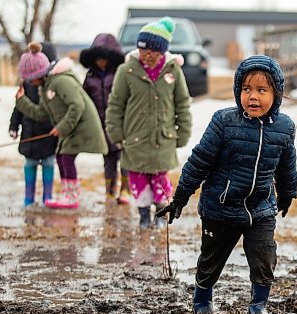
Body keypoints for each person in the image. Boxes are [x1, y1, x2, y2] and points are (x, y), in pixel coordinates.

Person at [156, 55, 297, 314]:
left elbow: (287, 166)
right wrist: (180, 197)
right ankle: (202, 299)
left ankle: (258, 306)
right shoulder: (224, 122)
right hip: (220, 207)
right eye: (246, 89)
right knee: (212, 258)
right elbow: (199, 161)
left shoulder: (285, 127)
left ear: (276, 93)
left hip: (261, 208)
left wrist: (288, 193)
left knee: (264, 256)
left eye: (261, 90)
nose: (252, 96)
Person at [106, 16, 192, 228]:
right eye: (144, 50)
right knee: (139, 180)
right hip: (134, 138)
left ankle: (161, 215)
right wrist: (116, 134)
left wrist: (183, 133)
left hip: (163, 138)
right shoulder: (126, 71)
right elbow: (116, 105)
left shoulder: (173, 71)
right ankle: (144, 216)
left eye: (153, 51)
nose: (148, 55)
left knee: (161, 180)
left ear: (162, 51)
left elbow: (182, 103)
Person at [15, 42, 108, 209]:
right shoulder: (45, 87)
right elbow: (41, 113)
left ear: (39, 74)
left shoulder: (61, 81)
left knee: (66, 157)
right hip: (71, 128)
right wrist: (22, 102)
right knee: (61, 156)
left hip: (82, 126)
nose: (29, 82)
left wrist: (62, 127)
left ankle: (72, 197)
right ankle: (68, 194)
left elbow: (77, 106)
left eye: (30, 79)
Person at [80, 33, 130, 205]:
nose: (101, 62)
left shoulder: (119, 74)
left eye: (104, 58)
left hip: (120, 124)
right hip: (101, 125)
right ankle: (110, 190)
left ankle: (125, 189)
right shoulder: (90, 77)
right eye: (98, 59)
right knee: (108, 160)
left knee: (124, 159)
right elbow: (84, 100)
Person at [9, 42, 58, 207]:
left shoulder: (51, 86)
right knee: (29, 163)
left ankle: (48, 197)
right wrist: (13, 126)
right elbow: (18, 108)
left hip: (48, 133)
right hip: (29, 134)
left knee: (48, 163)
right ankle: (28, 197)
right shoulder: (26, 85)